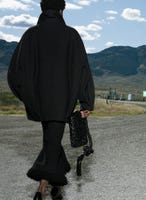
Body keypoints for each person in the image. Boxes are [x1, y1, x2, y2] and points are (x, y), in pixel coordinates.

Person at [7, 0, 95, 199]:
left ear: (42, 9)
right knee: (52, 141)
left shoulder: (30, 35)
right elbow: (82, 70)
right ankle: (43, 188)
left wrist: (29, 97)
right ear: (61, 10)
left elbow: (15, 74)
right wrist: (86, 102)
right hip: (63, 102)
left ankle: (55, 186)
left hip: (40, 103)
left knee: (51, 140)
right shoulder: (71, 35)